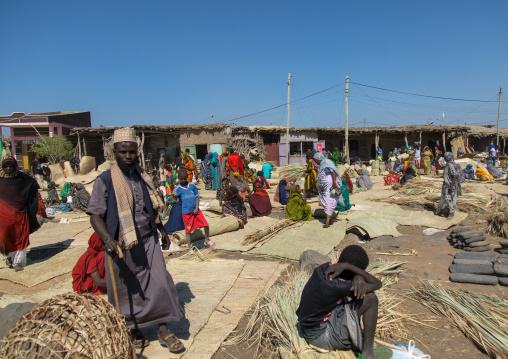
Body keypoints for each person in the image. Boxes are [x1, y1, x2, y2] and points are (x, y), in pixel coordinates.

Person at [87, 127, 184, 353]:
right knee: (126, 289)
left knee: (160, 283)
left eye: (132, 152)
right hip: (120, 244)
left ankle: (162, 328)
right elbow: (95, 215)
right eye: (123, 152)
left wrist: (162, 230)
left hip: (148, 238)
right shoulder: (105, 181)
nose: (128, 157)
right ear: (115, 153)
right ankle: (133, 329)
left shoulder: (143, 176)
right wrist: (106, 239)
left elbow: (150, 206)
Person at [296, 245, 382, 359]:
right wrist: (350, 268)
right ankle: (368, 353)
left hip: (314, 324)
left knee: (359, 293)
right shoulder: (338, 286)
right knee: (370, 299)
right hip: (320, 336)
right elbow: (377, 284)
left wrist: (353, 273)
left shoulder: (324, 268)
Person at [0, 157, 40, 271]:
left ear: (15, 167)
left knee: (20, 237)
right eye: (6, 166)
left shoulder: (23, 179)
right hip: (2, 214)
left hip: (19, 214)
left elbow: (33, 184)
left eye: (11, 166)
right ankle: (9, 256)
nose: (8, 168)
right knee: (3, 236)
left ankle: (18, 263)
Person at [174, 168, 214, 253]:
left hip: (196, 211)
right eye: (181, 179)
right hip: (186, 213)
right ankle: (189, 248)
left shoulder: (191, 185)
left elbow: (197, 196)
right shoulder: (178, 188)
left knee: (206, 225)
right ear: (178, 178)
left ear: (188, 177)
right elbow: (174, 197)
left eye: (185, 178)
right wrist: (174, 196)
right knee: (188, 231)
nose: (183, 180)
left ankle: (206, 240)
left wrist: (196, 208)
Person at [314, 152, 341, 228]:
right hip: (324, 187)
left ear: (318, 158)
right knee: (326, 202)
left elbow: (333, 171)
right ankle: (330, 219)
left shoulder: (327, 162)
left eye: (315, 160)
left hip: (329, 185)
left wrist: (334, 183)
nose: (315, 161)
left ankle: (327, 222)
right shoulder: (323, 163)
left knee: (329, 202)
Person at [436, 152, 461, 219]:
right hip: (448, 184)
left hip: (449, 185)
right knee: (447, 199)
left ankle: (451, 214)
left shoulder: (450, 164)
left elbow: (455, 175)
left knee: (449, 199)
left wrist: (451, 186)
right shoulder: (451, 164)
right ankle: (447, 212)